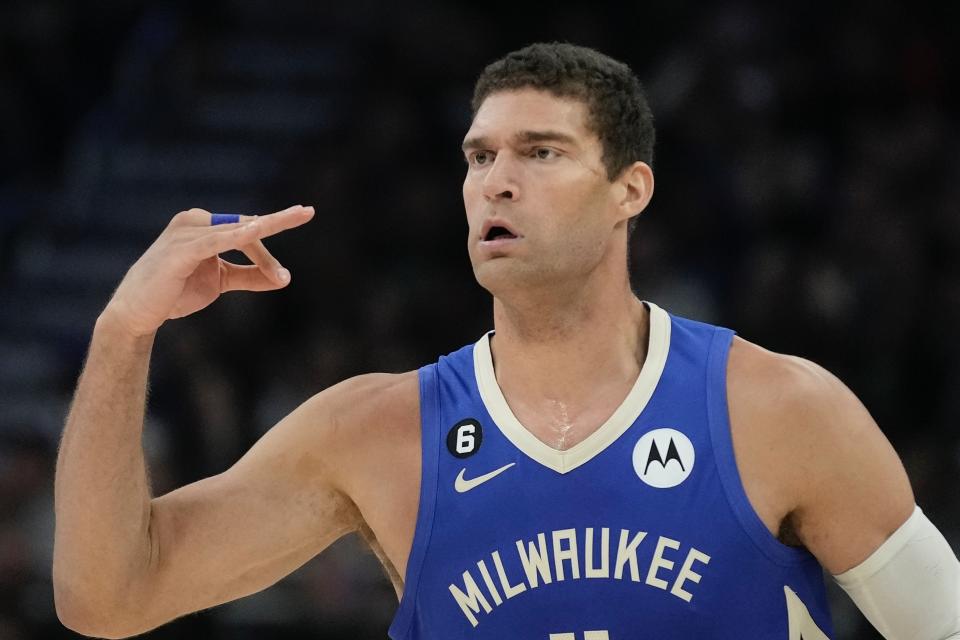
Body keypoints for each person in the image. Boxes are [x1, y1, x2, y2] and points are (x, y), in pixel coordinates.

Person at [53, 43, 958, 639]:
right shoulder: (376, 433)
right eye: (480, 157)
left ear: (629, 191)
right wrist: (122, 334)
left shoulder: (781, 411)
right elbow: (109, 598)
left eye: (541, 152)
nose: (497, 183)